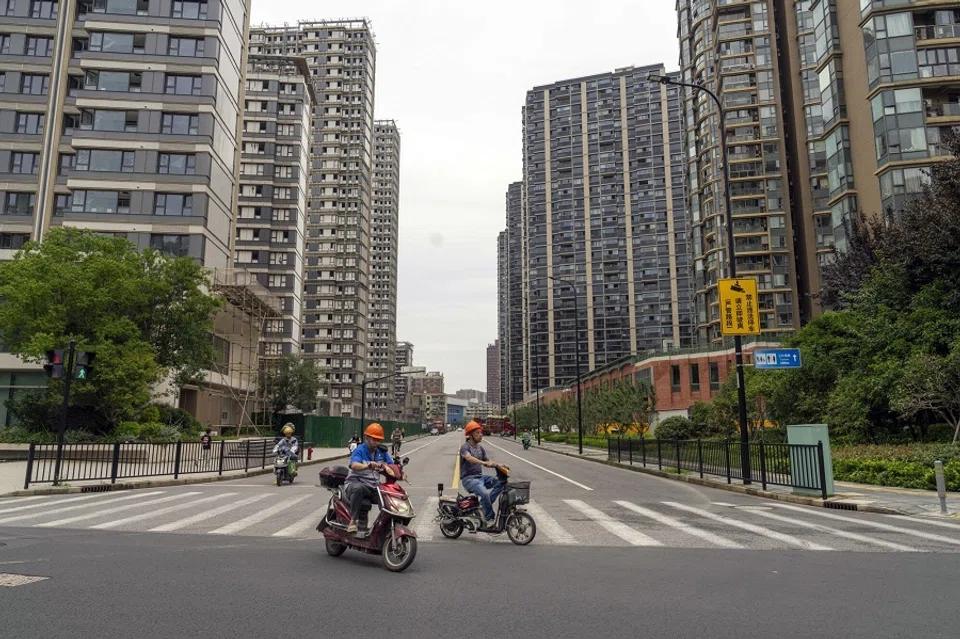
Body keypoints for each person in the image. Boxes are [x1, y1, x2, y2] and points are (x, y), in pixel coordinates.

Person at [343, 423, 394, 533]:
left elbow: (391, 464)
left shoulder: (382, 452)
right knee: (359, 488)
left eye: (379, 440)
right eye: (374, 439)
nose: (377, 442)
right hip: (355, 484)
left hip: (373, 487)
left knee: (387, 494)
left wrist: (392, 468)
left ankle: (387, 524)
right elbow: (354, 465)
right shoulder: (359, 450)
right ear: (367, 438)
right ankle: (354, 521)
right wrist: (367, 465)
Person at [459, 420, 507, 528]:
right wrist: (484, 463)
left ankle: (485, 504)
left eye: (481, 433)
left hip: (480, 477)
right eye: (477, 433)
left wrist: (500, 465)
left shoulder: (480, 449)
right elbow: (469, 458)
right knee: (484, 494)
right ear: (471, 435)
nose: (481, 435)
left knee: (501, 481)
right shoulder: (465, 447)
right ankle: (489, 518)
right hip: (469, 479)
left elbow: (488, 461)